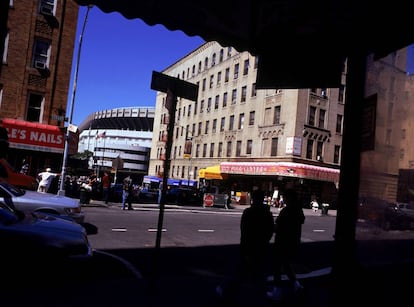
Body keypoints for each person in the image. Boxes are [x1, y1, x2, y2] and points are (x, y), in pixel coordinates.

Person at [216, 187, 274, 300]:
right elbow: (270, 230)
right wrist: (265, 241)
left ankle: (225, 290)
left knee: (240, 271)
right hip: (261, 246)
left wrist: (244, 247)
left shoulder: (248, 212)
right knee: (259, 273)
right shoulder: (267, 214)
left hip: (249, 246)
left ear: (253, 199)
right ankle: (261, 295)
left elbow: (244, 231)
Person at [267, 188, 305, 301]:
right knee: (286, 265)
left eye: (285, 197)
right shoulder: (298, 211)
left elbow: (278, 227)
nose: (284, 199)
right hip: (293, 242)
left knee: (277, 267)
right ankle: (296, 285)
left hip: (282, 242)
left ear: (289, 198)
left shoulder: (286, 211)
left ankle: (277, 291)